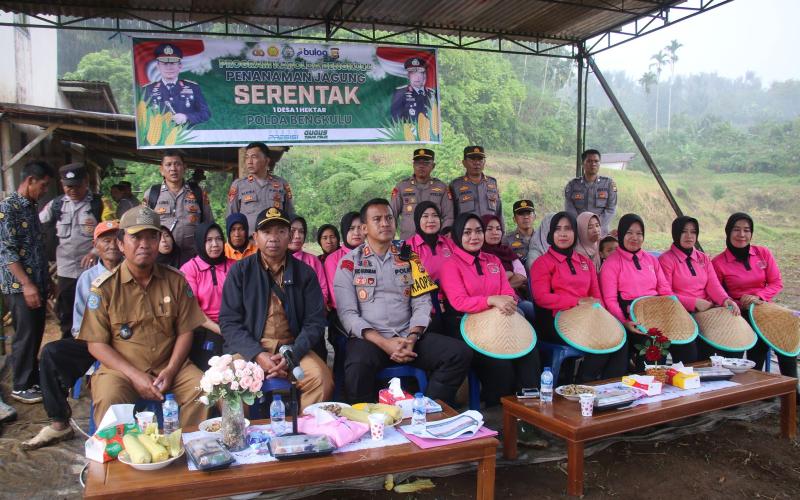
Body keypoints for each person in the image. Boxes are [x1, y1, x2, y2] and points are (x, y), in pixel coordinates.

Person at [78, 206, 209, 427]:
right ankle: (117, 459)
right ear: (121, 244)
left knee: (201, 388)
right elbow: (96, 345)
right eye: (136, 237)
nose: (144, 244)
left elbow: (186, 331)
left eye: (151, 237)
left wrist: (171, 369)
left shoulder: (176, 281)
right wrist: (135, 375)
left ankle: (187, 451)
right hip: (121, 370)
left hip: (170, 366)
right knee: (110, 397)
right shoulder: (105, 288)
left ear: (159, 241)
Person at [334, 199, 472, 404]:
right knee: (357, 365)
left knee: (459, 353)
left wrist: (413, 337)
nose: (385, 224)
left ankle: (427, 409)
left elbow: (422, 302)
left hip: (409, 337)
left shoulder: (410, 258)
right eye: (377, 219)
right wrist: (385, 343)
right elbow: (348, 314)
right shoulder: (348, 263)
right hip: (371, 339)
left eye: (389, 218)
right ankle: (367, 422)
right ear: (364, 228)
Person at [219, 208, 334, 410]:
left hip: (293, 348)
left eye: (280, 231)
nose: (273, 238)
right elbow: (229, 322)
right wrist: (258, 355)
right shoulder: (240, 271)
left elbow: (315, 322)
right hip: (251, 350)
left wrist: (294, 354)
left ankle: (306, 435)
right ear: (255, 237)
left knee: (321, 380)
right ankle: (239, 437)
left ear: (289, 236)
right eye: (266, 232)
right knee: (227, 384)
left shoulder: (305, 273)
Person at [22, 220, 122, 449]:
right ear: (95, 244)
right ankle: (59, 423)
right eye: (105, 240)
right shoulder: (87, 279)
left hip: (128, 341)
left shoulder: (133, 271)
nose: (112, 245)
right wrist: (94, 343)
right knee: (51, 353)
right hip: (95, 340)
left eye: (117, 239)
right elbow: (78, 324)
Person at [438, 213, 540, 407]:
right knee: (500, 363)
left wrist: (507, 301)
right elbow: (459, 301)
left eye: (478, 231)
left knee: (528, 350)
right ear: (458, 235)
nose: (474, 237)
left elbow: (508, 292)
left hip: (501, 321)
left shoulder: (493, 260)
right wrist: (491, 300)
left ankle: (530, 409)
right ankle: (501, 411)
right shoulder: (451, 265)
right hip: (467, 325)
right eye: (467, 232)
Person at [532, 212, 628, 382]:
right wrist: (576, 302)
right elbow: (542, 297)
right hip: (555, 321)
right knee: (599, 342)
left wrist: (604, 318)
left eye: (568, 229)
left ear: (575, 232)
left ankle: (610, 388)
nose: (563, 234)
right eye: (557, 229)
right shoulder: (543, 263)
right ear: (551, 233)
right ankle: (585, 385)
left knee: (618, 339)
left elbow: (596, 296)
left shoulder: (585, 262)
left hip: (587, 319)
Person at [712, 213, 796, 384]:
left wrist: (758, 296)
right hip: (737, 313)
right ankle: (756, 384)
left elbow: (776, 282)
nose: (742, 235)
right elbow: (717, 294)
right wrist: (738, 303)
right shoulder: (719, 262)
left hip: (764, 308)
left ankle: (792, 387)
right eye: (736, 230)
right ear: (728, 232)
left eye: (746, 230)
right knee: (757, 340)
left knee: (786, 336)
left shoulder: (762, 253)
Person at [599, 214, 693, 365]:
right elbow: (610, 300)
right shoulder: (611, 264)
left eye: (639, 233)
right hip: (632, 319)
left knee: (688, 345)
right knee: (654, 346)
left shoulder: (650, 260)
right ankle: (645, 381)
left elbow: (665, 290)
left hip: (657, 314)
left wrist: (677, 314)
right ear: (622, 234)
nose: (634, 237)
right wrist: (624, 322)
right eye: (629, 233)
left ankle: (687, 384)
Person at [1, 161, 54, 403]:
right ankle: (20, 385)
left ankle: (31, 378)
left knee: (36, 331)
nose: (44, 191)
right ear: (30, 180)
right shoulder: (8, 208)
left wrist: (45, 281)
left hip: (38, 281)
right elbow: (7, 251)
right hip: (20, 285)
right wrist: (27, 284)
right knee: (25, 333)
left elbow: (36, 247)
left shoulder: (31, 207)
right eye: (42, 186)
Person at [39, 163, 103, 339]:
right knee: (66, 311)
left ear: (86, 182)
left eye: (77, 186)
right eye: (68, 186)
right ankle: (68, 344)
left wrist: (94, 252)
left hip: (92, 270)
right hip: (65, 270)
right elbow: (38, 226)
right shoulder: (56, 204)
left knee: (94, 308)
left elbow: (112, 233)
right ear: (61, 184)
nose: (72, 190)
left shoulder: (99, 204)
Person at [143, 150, 213, 264]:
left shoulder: (198, 192)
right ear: (161, 170)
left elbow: (209, 224)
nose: (173, 169)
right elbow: (144, 228)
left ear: (184, 168)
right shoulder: (152, 194)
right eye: (168, 164)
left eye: (177, 164)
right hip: (161, 261)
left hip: (193, 259)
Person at [180, 223, 235, 370]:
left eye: (218, 239)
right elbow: (192, 310)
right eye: (209, 240)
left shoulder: (234, 266)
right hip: (204, 327)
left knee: (239, 364)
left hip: (234, 325)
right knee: (213, 368)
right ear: (200, 242)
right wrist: (220, 330)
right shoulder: (190, 269)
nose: (215, 244)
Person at [227, 142, 294, 235]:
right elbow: (231, 218)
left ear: (266, 160)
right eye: (247, 157)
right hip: (249, 244)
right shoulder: (238, 185)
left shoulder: (281, 184)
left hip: (275, 242)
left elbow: (290, 215)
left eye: (254, 157)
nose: (249, 161)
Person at [390, 148, 454, 240]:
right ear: (413, 165)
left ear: (433, 166)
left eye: (426, 163)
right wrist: (390, 238)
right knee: (408, 255)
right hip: (408, 242)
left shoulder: (441, 188)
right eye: (418, 163)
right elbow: (392, 215)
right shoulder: (401, 187)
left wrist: (444, 234)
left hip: (433, 242)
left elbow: (449, 216)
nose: (421, 166)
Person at [141, 43, 210, 126]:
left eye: (173, 63)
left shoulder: (192, 87)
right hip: (158, 137)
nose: (169, 67)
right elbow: (141, 116)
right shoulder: (147, 89)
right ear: (158, 66)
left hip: (186, 136)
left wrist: (186, 117)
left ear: (180, 66)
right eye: (165, 63)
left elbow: (205, 113)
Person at [564, 149, 617, 236]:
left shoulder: (609, 184)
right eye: (589, 161)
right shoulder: (572, 185)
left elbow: (611, 209)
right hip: (579, 231)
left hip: (601, 232)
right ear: (583, 164)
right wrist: (582, 225)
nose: (593, 164)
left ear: (600, 163)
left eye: (596, 161)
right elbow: (569, 208)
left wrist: (596, 226)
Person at [450, 146, 503, 226]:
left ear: (484, 162)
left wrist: (501, 233)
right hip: (467, 234)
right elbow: (451, 215)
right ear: (464, 163)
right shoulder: (456, 185)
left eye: (480, 159)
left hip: (489, 234)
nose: (477, 163)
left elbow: (499, 213)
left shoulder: (492, 183)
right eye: (472, 159)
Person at [323, 212, 365, 310]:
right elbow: (337, 294)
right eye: (351, 228)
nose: (356, 233)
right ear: (344, 230)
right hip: (344, 313)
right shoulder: (333, 259)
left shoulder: (373, 254)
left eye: (360, 228)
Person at [390, 57, 436, 122]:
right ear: (408, 76)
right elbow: (396, 120)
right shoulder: (400, 93)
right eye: (413, 74)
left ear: (424, 75)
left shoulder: (432, 94)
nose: (417, 77)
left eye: (420, 73)